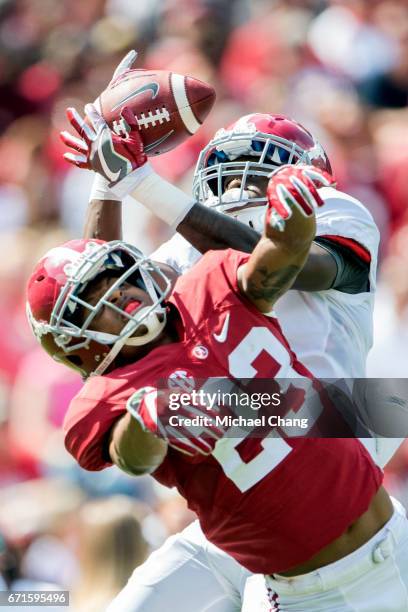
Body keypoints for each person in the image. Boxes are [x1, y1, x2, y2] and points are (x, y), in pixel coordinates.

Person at [56, 52, 405, 611]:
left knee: (379, 400)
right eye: (233, 163)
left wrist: (144, 183)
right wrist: (108, 187)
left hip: (342, 420)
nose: (244, 178)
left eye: (261, 164)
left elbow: (280, 258)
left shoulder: (334, 212)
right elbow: (102, 293)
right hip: (258, 461)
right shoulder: (184, 246)